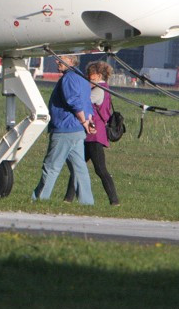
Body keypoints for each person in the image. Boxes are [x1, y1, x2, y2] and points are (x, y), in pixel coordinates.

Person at [32, 54, 96, 204]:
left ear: (71, 60)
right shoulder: (81, 77)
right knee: (79, 168)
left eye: (61, 58)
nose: (56, 61)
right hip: (78, 131)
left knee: (51, 166)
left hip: (65, 129)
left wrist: (83, 120)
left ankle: (39, 199)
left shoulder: (68, 78)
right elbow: (87, 102)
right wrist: (88, 121)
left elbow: (73, 101)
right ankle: (87, 203)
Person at [64, 61, 120, 205]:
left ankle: (114, 201)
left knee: (100, 170)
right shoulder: (104, 88)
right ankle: (68, 199)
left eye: (91, 74)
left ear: (99, 75)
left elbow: (84, 102)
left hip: (94, 135)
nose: (88, 76)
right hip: (91, 135)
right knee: (78, 166)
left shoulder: (99, 90)